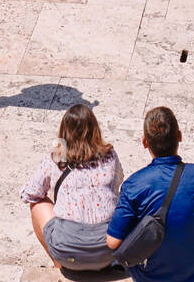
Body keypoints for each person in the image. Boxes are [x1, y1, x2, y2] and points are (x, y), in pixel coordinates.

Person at [105, 106, 194, 282]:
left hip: (146, 279)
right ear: (179, 136)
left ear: (145, 142)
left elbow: (113, 242)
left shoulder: (133, 184)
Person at [20, 104, 124, 271]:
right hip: (108, 250)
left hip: (67, 252)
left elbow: (30, 194)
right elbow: (118, 182)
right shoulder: (109, 154)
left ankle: (58, 264)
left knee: (38, 204)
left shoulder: (58, 157)